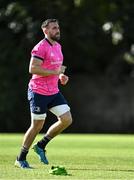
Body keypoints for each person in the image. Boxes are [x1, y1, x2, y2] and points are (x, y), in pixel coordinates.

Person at [15, 19, 73, 168]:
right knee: (37, 126)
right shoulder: (40, 47)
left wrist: (61, 76)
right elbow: (33, 68)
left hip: (53, 91)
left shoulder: (58, 47)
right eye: (54, 28)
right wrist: (54, 72)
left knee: (67, 119)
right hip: (38, 91)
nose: (57, 30)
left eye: (58, 27)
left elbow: (58, 68)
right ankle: (20, 158)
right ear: (45, 31)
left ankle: (40, 145)